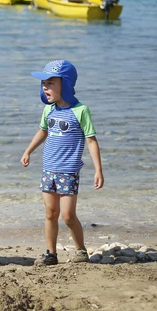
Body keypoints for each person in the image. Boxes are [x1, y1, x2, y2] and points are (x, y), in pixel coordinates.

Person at [20, 60, 104, 266]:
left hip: (68, 171)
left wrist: (98, 170)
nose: (45, 88)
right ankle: (51, 253)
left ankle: (81, 250)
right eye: (43, 84)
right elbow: (43, 131)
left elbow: (91, 140)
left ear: (65, 84)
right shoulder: (49, 110)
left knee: (67, 215)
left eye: (50, 83)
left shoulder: (80, 110)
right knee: (50, 213)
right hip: (48, 169)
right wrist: (28, 150)